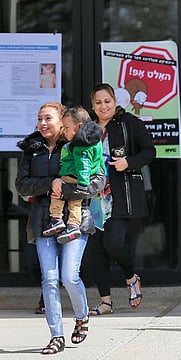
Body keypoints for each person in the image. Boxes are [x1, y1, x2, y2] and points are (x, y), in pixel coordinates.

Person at [16, 102, 105, 354]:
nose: (42, 124)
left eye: (48, 119)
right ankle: (56, 335)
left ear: (62, 121)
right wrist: (51, 183)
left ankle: (82, 315)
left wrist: (64, 189)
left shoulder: (80, 143)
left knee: (69, 275)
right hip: (43, 221)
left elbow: (98, 182)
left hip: (75, 219)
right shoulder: (32, 149)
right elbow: (22, 185)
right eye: (39, 119)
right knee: (50, 279)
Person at [82, 82, 155, 316]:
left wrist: (128, 163)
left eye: (107, 101)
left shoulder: (129, 123)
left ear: (115, 101)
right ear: (92, 105)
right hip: (91, 197)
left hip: (120, 194)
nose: (103, 106)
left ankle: (131, 277)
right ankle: (105, 301)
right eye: (98, 102)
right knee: (95, 252)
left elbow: (149, 152)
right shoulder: (88, 128)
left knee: (113, 242)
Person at [42, 107, 104, 244]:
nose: (64, 131)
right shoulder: (95, 140)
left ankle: (56, 219)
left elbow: (84, 164)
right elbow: (99, 162)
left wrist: (82, 184)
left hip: (73, 176)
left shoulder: (80, 145)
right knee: (75, 203)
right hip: (84, 178)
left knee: (57, 193)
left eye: (67, 128)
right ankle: (74, 225)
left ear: (79, 126)